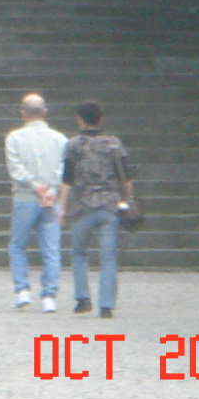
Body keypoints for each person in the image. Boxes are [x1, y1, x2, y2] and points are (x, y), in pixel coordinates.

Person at [62, 101, 136, 320]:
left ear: (79, 119)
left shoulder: (73, 145)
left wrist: (62, 207)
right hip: (109, 205)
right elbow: (127, 178)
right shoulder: (114, 144)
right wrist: (127, 201)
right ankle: (106, 305)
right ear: (101, 119)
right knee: (109, 257)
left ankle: (83, 298)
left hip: (82, 206)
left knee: (79, 253)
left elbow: (67, 179)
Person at [4, 92, 67, 312]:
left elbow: (15, 168)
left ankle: (22, 290)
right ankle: (49, 295)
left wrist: (34, 185)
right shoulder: (60, 139)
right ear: (45, 112)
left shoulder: (14, 138)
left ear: (23, 113)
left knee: (18, 245)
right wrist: (50, 189)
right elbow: (63, 169)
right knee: (51, 248)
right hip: (51, 198)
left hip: (25, 197)